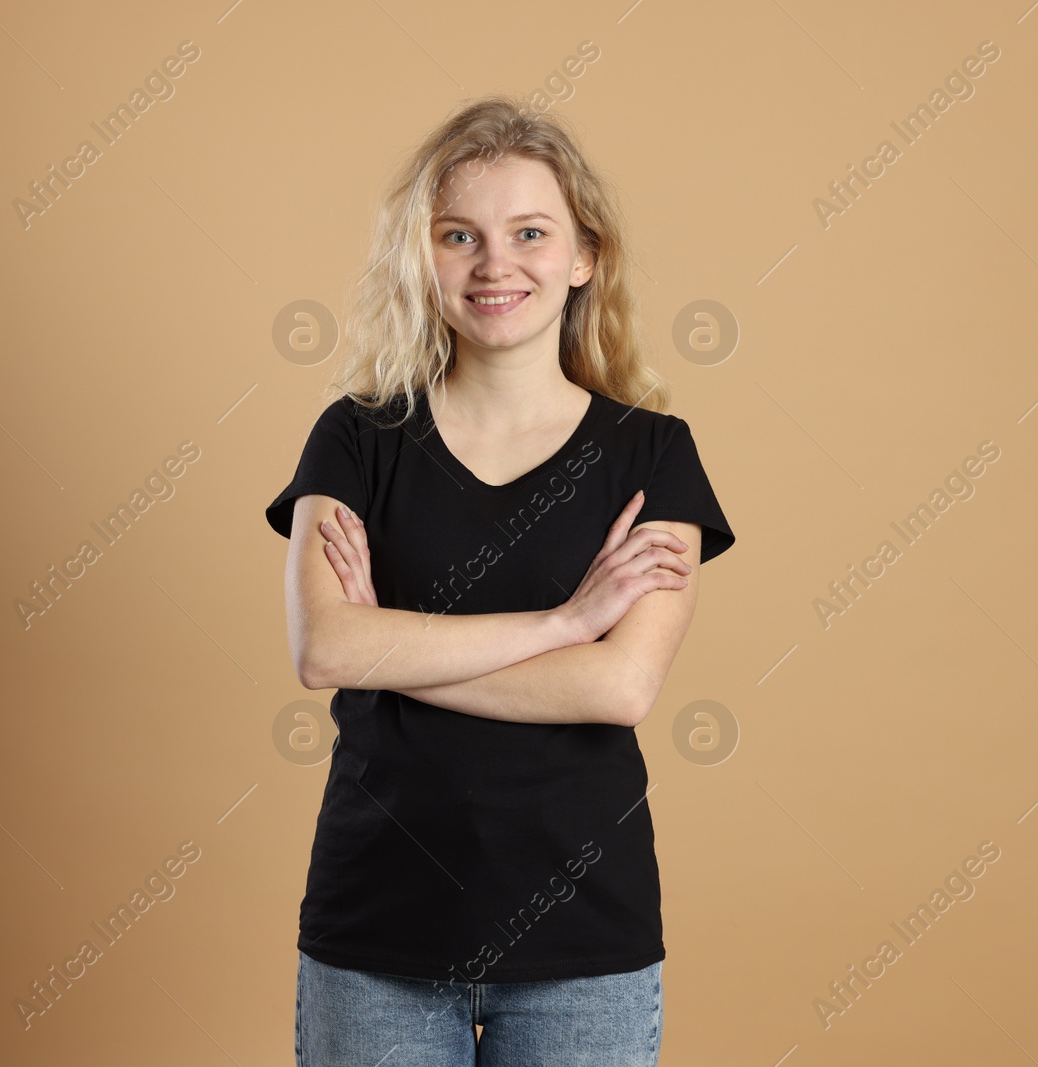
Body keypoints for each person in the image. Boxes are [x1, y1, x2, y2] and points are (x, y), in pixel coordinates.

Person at [264, 95, 736, 1066]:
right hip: (375, 931)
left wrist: (387, 646)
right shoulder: (355, 440)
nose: (494, 264)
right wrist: (564, 619)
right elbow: (323, 649)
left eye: (529, 232)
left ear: (582, 256)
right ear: (421, 256)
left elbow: (617, 686)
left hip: (580, 944)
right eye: (457, 235)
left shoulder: (652, 454)